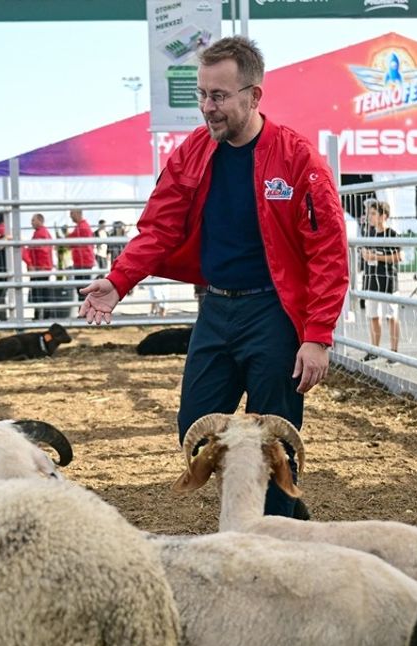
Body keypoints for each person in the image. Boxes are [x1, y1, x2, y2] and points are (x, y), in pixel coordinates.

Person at [78, 35, 348, 519]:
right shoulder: (193, 153)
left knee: (277, 435)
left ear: (253, 95)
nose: (207, 107)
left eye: (219, 96)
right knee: (196, 426)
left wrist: (318, 335)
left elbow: (328, 251)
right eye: (202, 95)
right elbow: (159, 227)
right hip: (217, 307)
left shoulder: (298, 159)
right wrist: (119, 281)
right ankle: (281, 514)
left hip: (274, 311)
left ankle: (277, 535)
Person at [359, 200, 401, 363]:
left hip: (388, 282)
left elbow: (399, 256)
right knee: (373, 316)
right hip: (371, 281)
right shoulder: (368, 233)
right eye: (370, 213)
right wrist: (365, 254)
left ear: (384, 216)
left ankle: (394, 352)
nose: (370, 217)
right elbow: (363, 251)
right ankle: (374, 349)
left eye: (374, 213)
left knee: (392, 317)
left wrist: (377, 257)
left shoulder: (392, 234)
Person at [24, 213, 57, 320]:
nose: (31, 222)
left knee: (38, 293)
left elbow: (39, 251)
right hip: (44, 268)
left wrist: (31, 264)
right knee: (44, 292)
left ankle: (38, 316)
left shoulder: (40, 234)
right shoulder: (44, 233)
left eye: (33, 220)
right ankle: (46, 315)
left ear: (40, 221)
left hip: (39, 268)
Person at [67, 208, 95, 280]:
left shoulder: (81, 227)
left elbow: (70, 241)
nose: (70, 216)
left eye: (72, 213)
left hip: (83, 262)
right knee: (83, 285)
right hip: (83, 261)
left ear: (77, 214)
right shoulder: (82, 226)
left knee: (82, 287)